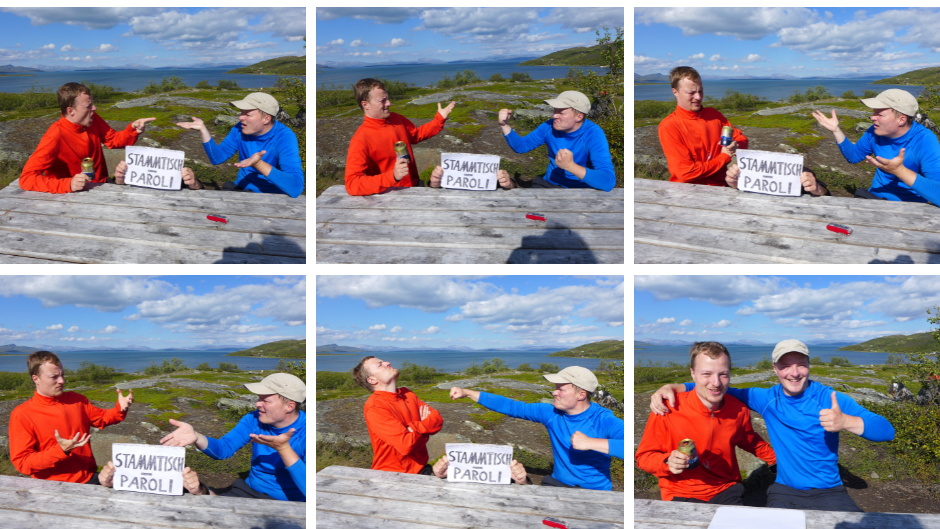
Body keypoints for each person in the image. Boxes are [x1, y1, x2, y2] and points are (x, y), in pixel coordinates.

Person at [650, 339, 895, 512]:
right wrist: (674, 387)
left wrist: (846, 422)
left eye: (801, 364)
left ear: (809, 365)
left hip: (829, 490)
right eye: (785, 366)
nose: (794, 373)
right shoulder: (766, 399)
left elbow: (886, 430)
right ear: (775, 369)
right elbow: (716, 385)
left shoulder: (830, 398)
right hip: (784, 490)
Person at [635, 342, 776, 504]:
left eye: (723, 374)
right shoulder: (668, 409)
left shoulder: (739, 410)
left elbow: (749, 440)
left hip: (726, 489)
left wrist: (776, 459)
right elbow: (644, 457)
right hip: (681, 491)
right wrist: (667, 461)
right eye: (706, 374)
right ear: (693, 374)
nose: (716, 383)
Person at [449, 366, 624, 490]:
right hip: (557, 485)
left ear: (581, 394)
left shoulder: (603, 419)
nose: (554, 392)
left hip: (594, 491)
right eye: (555, 388)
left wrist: (591, 443)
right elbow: (513, 407)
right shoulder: (552, 413)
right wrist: (467, 392)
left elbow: (633, 448)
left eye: (560, 389)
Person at [660, 66, 826, 195]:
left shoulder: (714, 115)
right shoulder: (669, 126)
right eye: (691, 92)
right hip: (687, 193)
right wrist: (724, 157)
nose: (698, 97)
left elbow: (741, 138)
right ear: (675, 92)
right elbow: (685, 173)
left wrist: (736, 145)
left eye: (700, 91)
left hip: (722, 188)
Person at [160, 372, 306, 501]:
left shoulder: (307, 431)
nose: (257, 404)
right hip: (249, 493)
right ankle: (202, 492)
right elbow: (224, 449)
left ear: (290, 406)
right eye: (258, 398)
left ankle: (204, 492)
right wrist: (196, 436)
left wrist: (283, 448)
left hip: (289, 502)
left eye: (266, 400)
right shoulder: (254, 419)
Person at [8, 351, 133, 483]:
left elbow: (103, 418)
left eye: (62, 375)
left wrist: (120, 408)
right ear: (36, 379)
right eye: (54, 377)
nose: (62, 381)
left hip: (88, 478)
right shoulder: (22, 413)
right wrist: (61, 451)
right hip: (50, 485)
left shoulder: (77, 400)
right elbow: (23, 463)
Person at [19, 82, 155, 193]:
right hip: (71, 196)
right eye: (88, 106)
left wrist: (133, 130)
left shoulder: (92, 120)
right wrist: (68, 184)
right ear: (70, 111)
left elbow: (113, 140)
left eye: (93, 104)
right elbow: (26, 178)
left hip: (101, 185)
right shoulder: (54, 136)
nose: (95, 108)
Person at [812, 88, 940, 204]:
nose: (872, 118)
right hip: (874, 199)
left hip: (910, 205)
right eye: (874, 112)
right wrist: (836, 130)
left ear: (901, 119)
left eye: (879, 114)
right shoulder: (874, 131)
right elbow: (854, 156)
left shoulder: (925, 141)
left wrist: (900, 171)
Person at [176, 93, 304, 198]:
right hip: (242, 190)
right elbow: (217, 158)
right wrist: (203, 130)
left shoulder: (284, 137)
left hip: (272, 196)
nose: (240, 117)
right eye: (241, 112)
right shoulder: (239, 129)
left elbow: (295, 188)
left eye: (247, 114)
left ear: (266, 119)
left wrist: (258, 164)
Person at [345, 78, 455, 196]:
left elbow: (416, 135)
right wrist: (392, 176)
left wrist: (439, 119)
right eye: (383, 100)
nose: (389, 103)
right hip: (390, 196)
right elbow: (352, 183)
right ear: (365, 104)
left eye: (387, 98)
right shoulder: (361, 139)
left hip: (414, 186)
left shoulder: (396, 119)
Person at [497, 91, 615, 191]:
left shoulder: (593, 134)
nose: (554, 116)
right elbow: (522, 146)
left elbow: (608, 181)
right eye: (555, 110)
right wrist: (504, 125)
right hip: (550, 184)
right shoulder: (549, 127)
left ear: (579, 117)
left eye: (561, 112)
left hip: (582, 189)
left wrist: (570, 166)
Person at [352, 356, 444, 475]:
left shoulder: (407, 394)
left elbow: (437, 419)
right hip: (392, 475)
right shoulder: (375, 407)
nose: (388, 363)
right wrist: (424, 426)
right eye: (380, 364)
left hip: (421, 470)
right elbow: (406, 445)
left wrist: (412, 428)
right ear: (372, 380)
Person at [112, 161, 203, 190]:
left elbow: (199, 190)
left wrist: (194, 183)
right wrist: (119, 180)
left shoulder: (176, 175)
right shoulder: (130, 172)